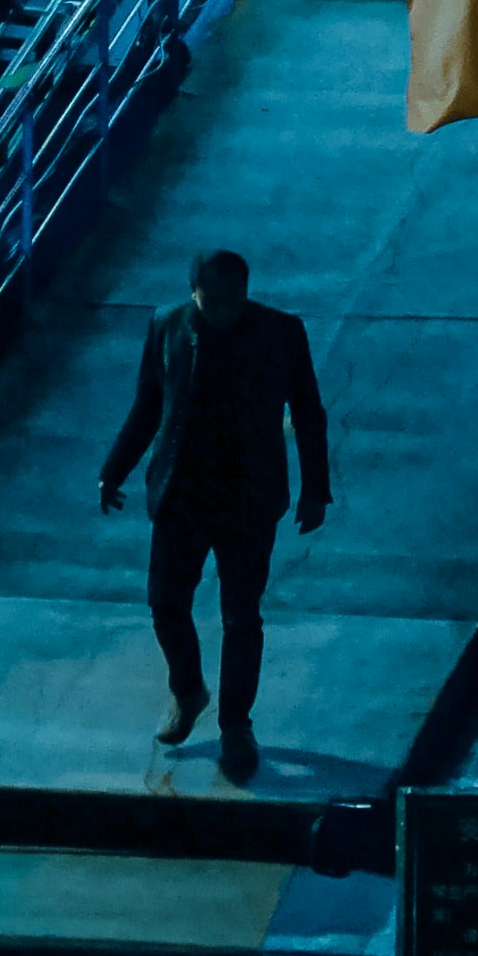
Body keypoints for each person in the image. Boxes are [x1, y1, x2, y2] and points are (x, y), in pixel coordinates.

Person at [99, 247, 329, 782]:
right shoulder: (167, 326)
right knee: (164, 602)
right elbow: (149, 404)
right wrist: (115, 469)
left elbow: (309, 412)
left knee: (241, 616)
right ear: (192, 291)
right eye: (211, 300)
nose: (223, 311)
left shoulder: (282, 332)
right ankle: (188, 688)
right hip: (182, 492)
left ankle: (236, 727)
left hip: (249, 497)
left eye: (233, 300)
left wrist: (315, 489)